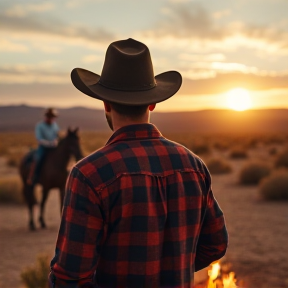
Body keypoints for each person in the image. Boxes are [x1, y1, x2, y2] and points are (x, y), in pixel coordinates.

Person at [49, 38, 228, 288]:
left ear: (105, 103)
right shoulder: (194, 166)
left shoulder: (89, 174)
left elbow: (70, 278)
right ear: (153, 102)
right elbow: (215, 244)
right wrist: (171, 268)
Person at [27, 108, 59, 185]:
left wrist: (56, 141)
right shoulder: (40, 126)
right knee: (38, 158)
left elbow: (56, 135)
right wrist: (49, 143)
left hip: (53, 147)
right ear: (46, 116)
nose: (51, 118)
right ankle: (34, 177)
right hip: (43, 147)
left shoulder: (55, 125)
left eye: (52, 117)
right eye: (49, 116)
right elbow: (39, 139)